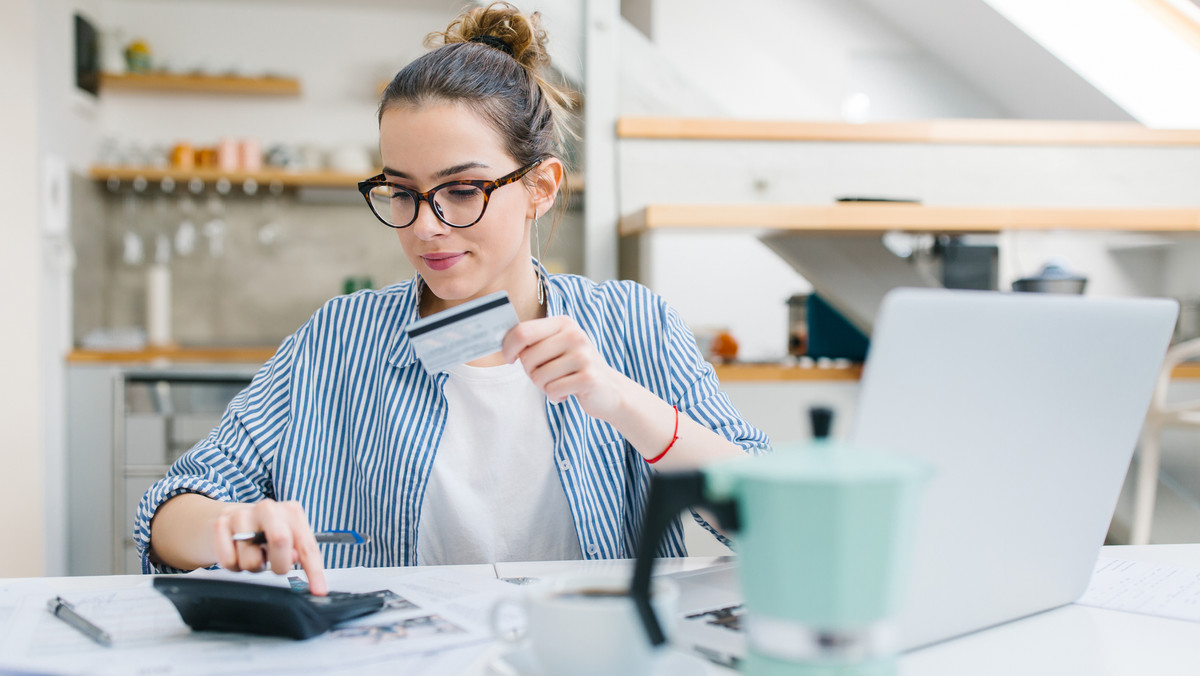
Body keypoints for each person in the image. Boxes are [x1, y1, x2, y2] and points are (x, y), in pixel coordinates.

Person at [135, 2, 768, 596]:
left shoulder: (635, 324)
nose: (424, 227)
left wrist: (623, 401)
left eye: (462, 190)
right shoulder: (340, 338)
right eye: (401, 192)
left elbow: (775, 520)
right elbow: (170, 508)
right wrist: (228, 526)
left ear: (542, 186)